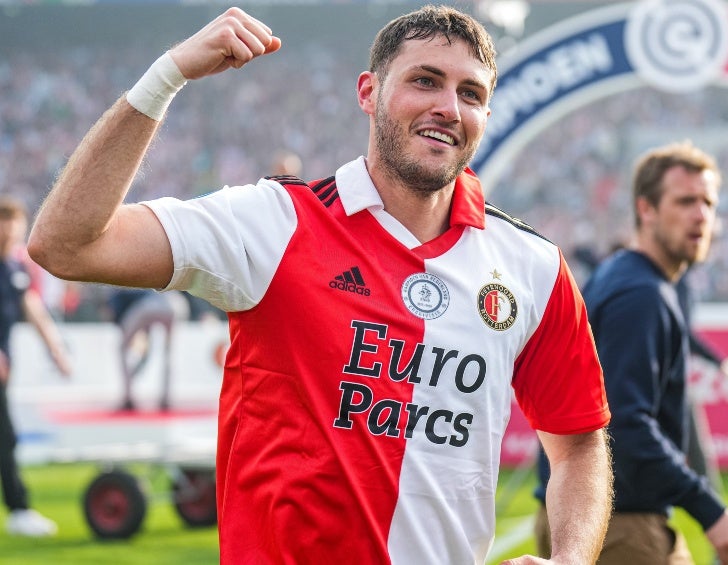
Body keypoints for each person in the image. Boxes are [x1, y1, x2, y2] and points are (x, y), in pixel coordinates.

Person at [27, 6, 612, 564]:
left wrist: (572, 557)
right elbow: (66, 244)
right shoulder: (273, 222)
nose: (448, 108)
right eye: (425, 81)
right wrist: (165, 77)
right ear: (368, 92)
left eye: (470, 94)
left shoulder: (531, 265)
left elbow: (578, 440)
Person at [535, 141, 728, 565]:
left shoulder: (629, 277)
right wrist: (710, 510)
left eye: (708, 203)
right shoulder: (642, 294)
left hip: (598, 514)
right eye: (685, 201)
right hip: (618, 525)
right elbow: (625, 422)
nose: (700, 215)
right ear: (647, 210)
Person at [0, 196, 71, 537]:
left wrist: (55, 350)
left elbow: (34, 310)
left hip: (3, 372)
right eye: (5, 222)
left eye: (15, 224)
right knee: (6, 436)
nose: (11, 231)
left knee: (5, 437)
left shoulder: (16, 270)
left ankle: (18, 510)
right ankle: (19, 509)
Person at [676, 267, 728, 495]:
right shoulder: (673, 280)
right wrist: (723, 364)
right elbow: (682, 332)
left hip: (647, 383)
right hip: (664, 385)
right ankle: (716, 514)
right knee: (697, 458)